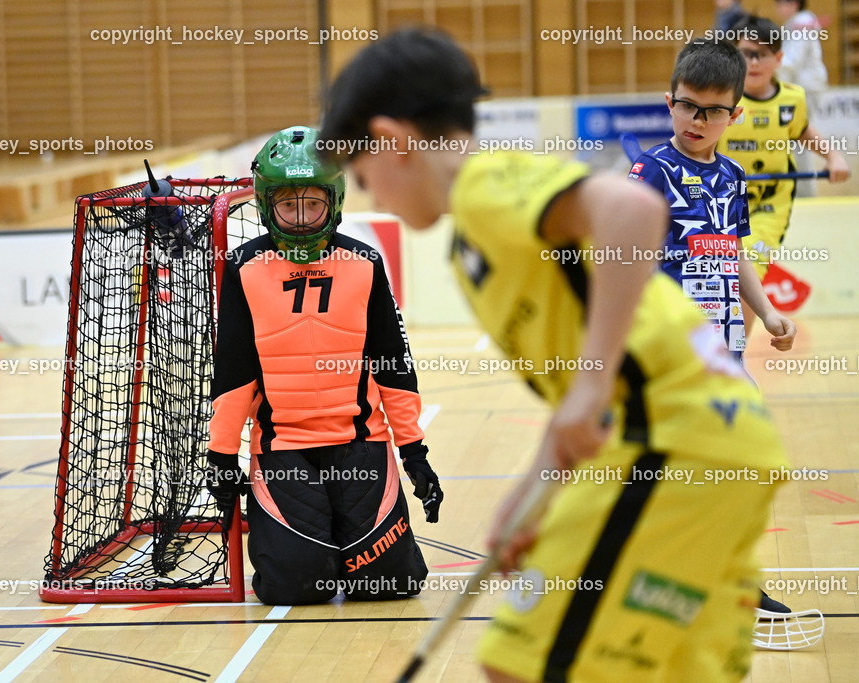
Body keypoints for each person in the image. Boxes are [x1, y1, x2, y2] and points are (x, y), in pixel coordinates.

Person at [320, 27, 791, 683]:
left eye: (364, 176)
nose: (372, 197)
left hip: (671, 438)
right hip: (718, 439)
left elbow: (631, 209)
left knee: (521, 661)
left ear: (394, 142)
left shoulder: (486, 188)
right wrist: (529, 493)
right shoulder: (470, 248)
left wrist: (593, 388)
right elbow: (574, 395)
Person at [204, 125, 443, 606]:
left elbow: (394, 368)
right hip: (282, 449)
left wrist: (415, 454)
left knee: (389, 586)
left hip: (361, 445)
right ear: (268, 205)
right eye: (287, 206)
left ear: (332, 203)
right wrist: (222, 457)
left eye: (311, 205)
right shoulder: (243, 268)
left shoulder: (365, 263)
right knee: (296, 588)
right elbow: (233, 374)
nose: (299, 219)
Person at [628, 39, 798, 357]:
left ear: (735, 115)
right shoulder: (652, 169)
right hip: (671, 334)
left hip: (725, 331)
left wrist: (768, 313)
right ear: (670, 102)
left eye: (714, 111)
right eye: (688, 105)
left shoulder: (734, 174)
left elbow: (735, 251)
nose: (698, 120)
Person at [716, 14, 850, 332]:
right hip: (721, 204)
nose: (753, 62)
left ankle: (735, 358)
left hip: (768, 206)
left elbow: (802, 131)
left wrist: (833, 157)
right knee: (714, 280)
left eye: (761, 54)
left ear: (778, 58)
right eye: (744, 53)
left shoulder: (793, 98)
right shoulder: (721, 98)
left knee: (744, 271)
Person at [773, 0, 828, 96]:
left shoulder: (801, 25)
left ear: (795, 4)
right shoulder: (794, 24)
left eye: (780, 4)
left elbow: (793, 60)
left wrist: (771, 65)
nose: (777, 8)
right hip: (804, 84)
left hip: (808, 86)